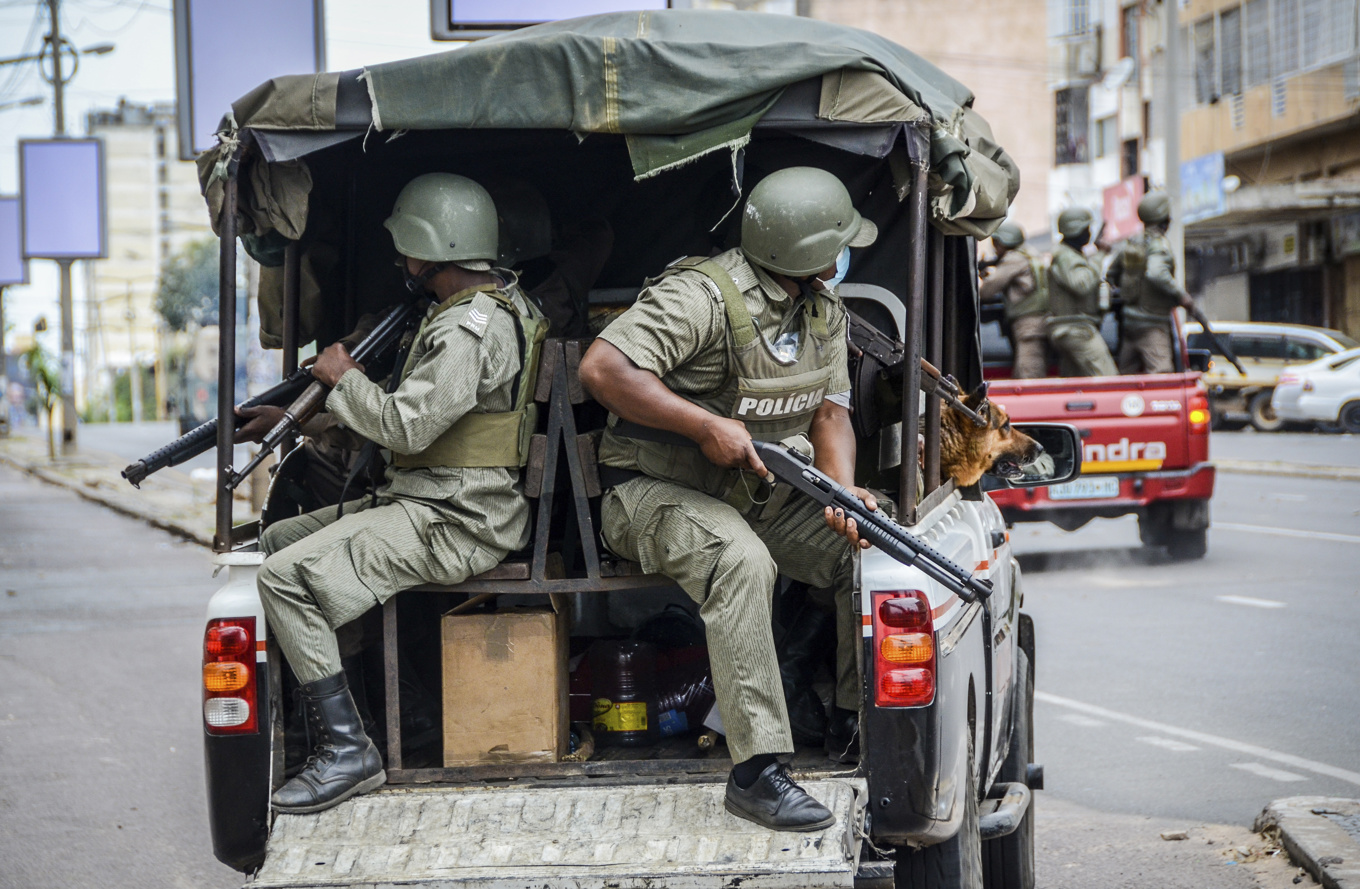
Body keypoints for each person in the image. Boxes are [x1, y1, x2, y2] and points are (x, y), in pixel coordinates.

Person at [579, 166, 877, 833]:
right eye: (837, 243)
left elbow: (830, 415)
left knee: (865, 551)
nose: (844, 253)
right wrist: (701, 424)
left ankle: (862, 725)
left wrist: (841, 494)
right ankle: (757, 772)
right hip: (650, 493)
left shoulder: (823, 310)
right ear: (802, 255)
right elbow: (602, 368)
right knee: (741, 559)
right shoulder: (701, 298)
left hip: (756, 493)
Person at [242, 172, 547, 814]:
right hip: (431, 499)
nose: (401, 256)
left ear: (432, 248)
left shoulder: (470, 328)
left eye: (408, 242)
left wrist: (343, 377)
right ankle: (380, 713)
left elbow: (407, 424)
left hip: (457, 518)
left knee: (283, 580)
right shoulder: (483, 308)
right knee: (277, 541)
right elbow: (416, 421)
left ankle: (349, 751)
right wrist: (301, 418)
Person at [1108, 192, 1195, 374]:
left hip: (1130, 325)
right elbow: (1156, 273)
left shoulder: (1132, 244)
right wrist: (1181, 296)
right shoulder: (1159, 245)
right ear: (1164, 218)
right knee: (1162, 378)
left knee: (1126, 380)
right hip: (1152, 325)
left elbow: (1112, 274)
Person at [1045, 207, 1118, 378]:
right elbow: (1081, 284)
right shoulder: (1066, 256)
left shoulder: (1070, 254)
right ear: (1076, 230)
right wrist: (1100, 255)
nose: (1089, 233)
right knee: (1108, 379)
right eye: (1086, 229)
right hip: (1076, 329)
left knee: (1076, 384)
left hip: (1072, 328)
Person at [980, 222, 1049, 379]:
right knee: (1021, 372)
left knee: (1029, 375)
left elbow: (987, 291)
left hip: (1029, 326)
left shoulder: (1014, 259)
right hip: (1035, 323)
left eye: (996, 243)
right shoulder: (1029, 254)